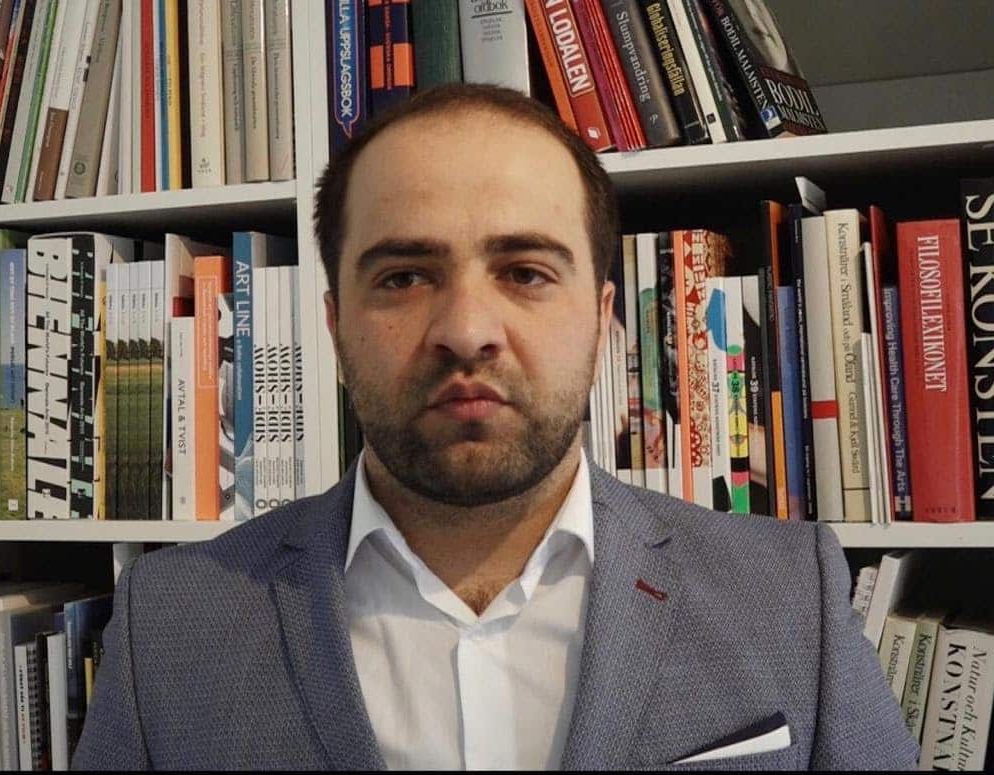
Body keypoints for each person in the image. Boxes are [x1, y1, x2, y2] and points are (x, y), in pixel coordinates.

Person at [73, 83, 918, 770]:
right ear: (333, 329)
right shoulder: (169, 625)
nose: (467, 329)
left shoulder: (789, 597)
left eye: (525, 271)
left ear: (602, 321)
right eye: (404, 277)